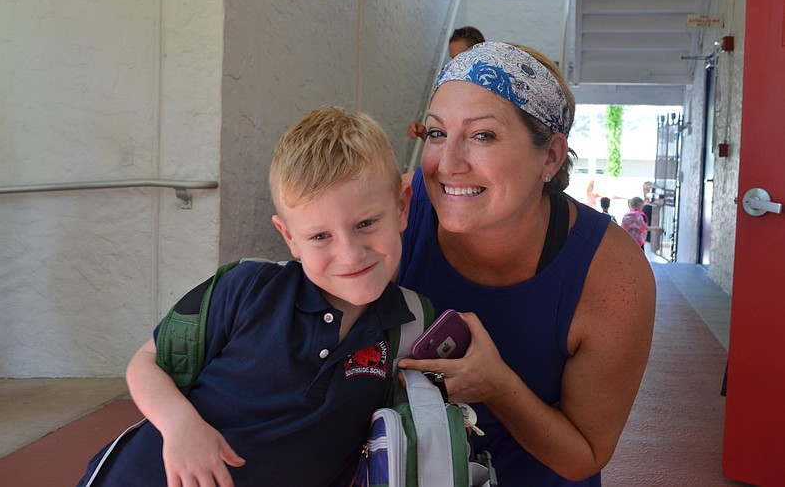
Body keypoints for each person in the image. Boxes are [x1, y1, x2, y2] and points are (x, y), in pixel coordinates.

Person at [77, 107, 415, 487]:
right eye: (321, 236)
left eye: (366, 224)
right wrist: (180, 425)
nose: (351, 253)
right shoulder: (248, 288)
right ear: (289, 238)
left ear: (402, 206)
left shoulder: (411, 327)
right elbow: (146, 362)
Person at [397, 42, 656, 485]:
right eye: (437, 134)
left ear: (551, 157)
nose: (448, 165)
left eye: (483, 136)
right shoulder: (393, 214)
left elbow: (585, 455)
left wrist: (496, 386)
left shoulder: (611, 275)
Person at [407, 26, 486, 140]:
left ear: (481, 53)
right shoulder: (451, 89)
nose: (455, 65)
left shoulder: (493, 93)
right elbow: (448, 142)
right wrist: (425, 133)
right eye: (452, 59)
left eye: (461, 57)